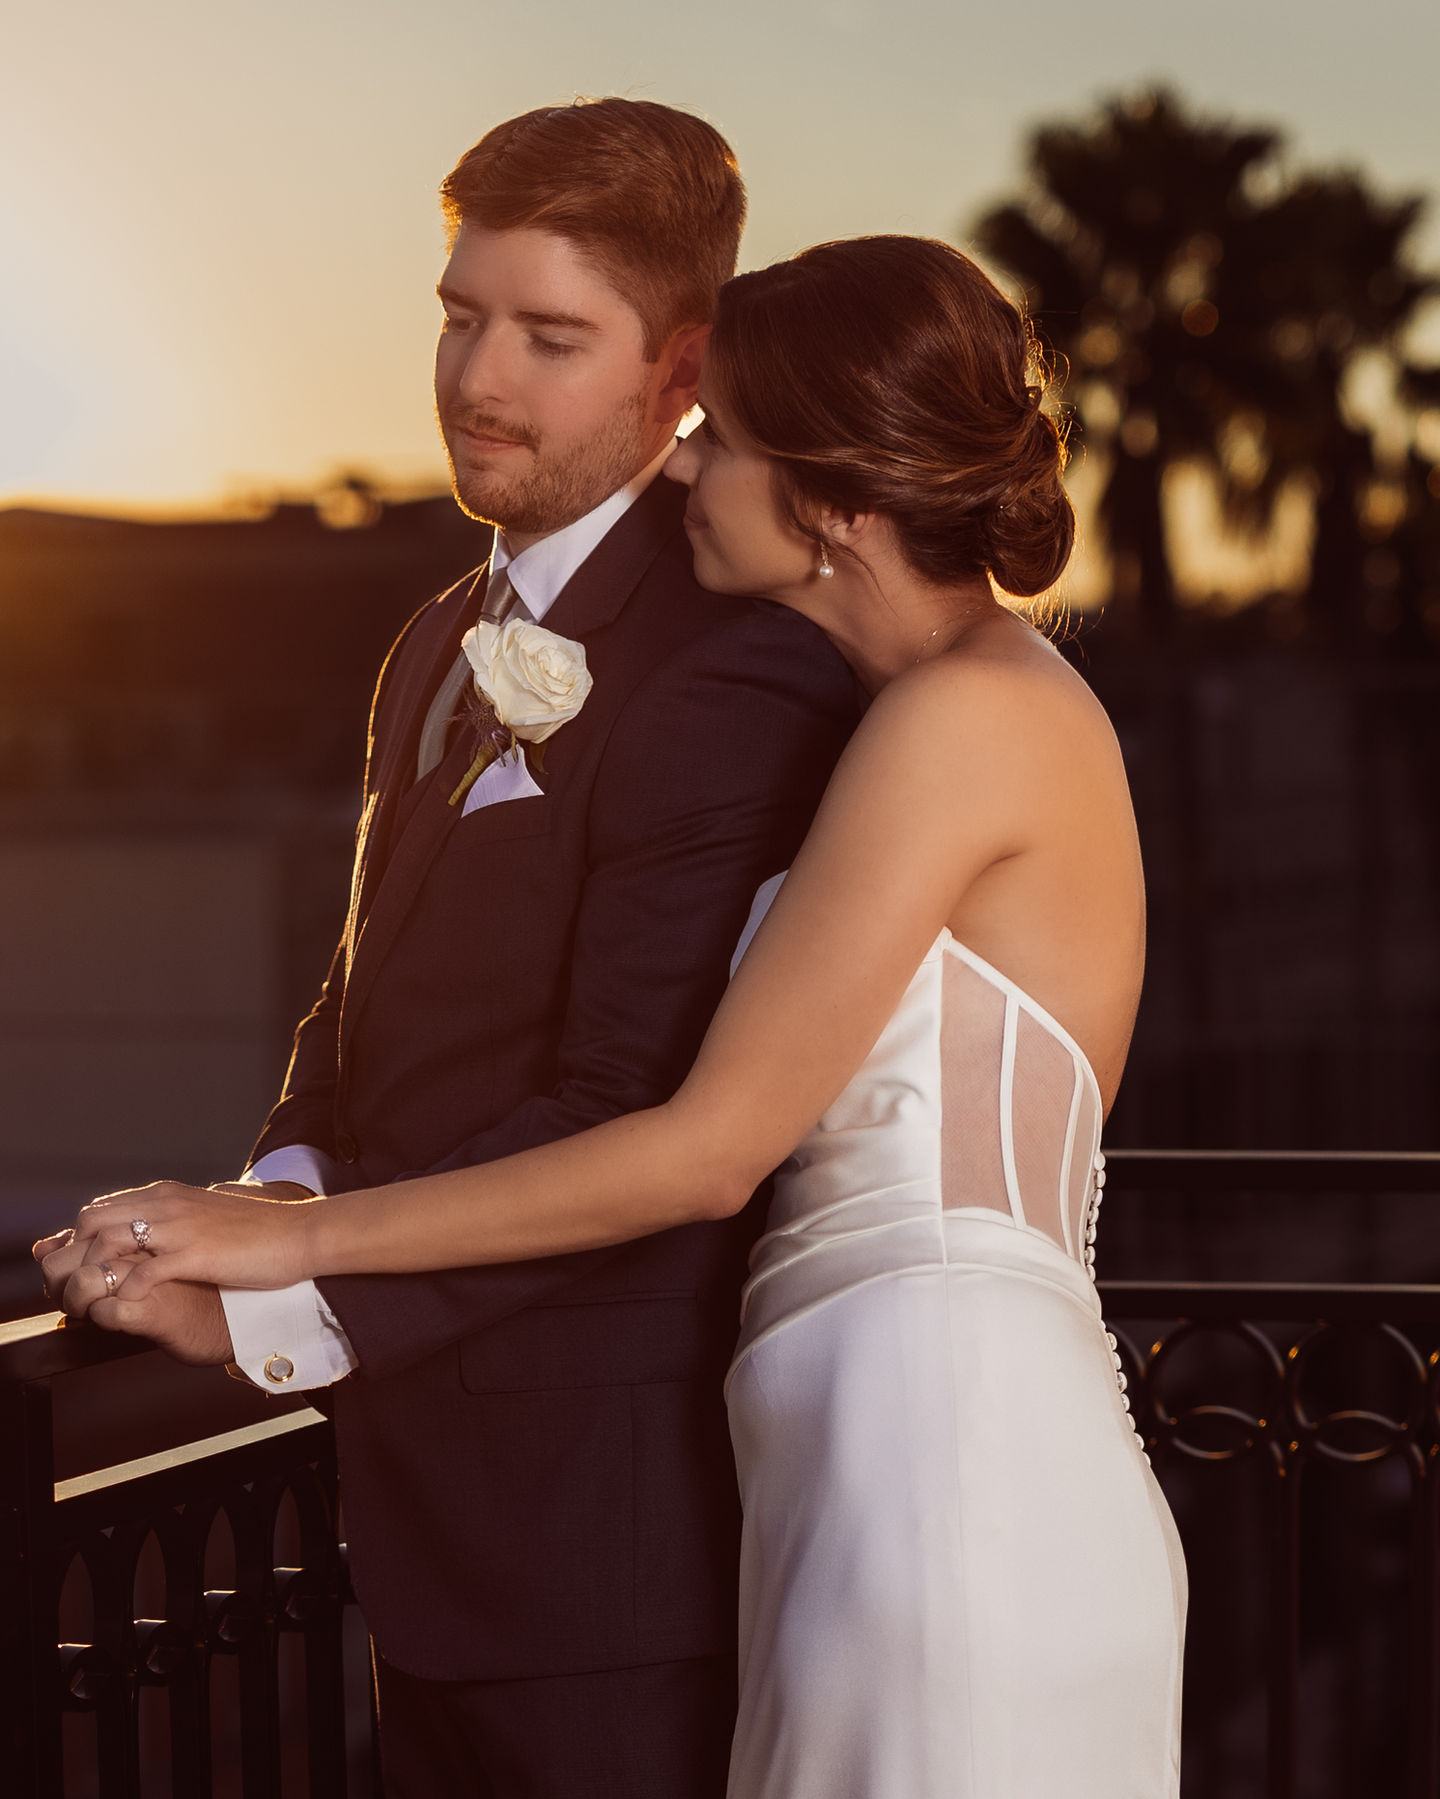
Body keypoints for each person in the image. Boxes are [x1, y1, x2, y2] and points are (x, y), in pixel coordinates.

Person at [46, 234, 1186, 1795]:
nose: (687, 464)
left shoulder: (967, 716)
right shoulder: (922, 709)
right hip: (854, 1433)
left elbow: (705, 1151)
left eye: (723, 436)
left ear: (837, 504)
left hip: (944, 1446)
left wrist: (288, 1239)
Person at [37, 99, 862, 1799]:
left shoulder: (735, 664)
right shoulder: (435, 637)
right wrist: (269, 1186)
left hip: (612, 1556)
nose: (480, 377)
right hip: (418, 1530)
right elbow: (358, 998)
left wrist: (286, 1299)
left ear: (679, 366)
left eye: (551, 337)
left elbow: (629, 1110)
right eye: (461, 313)